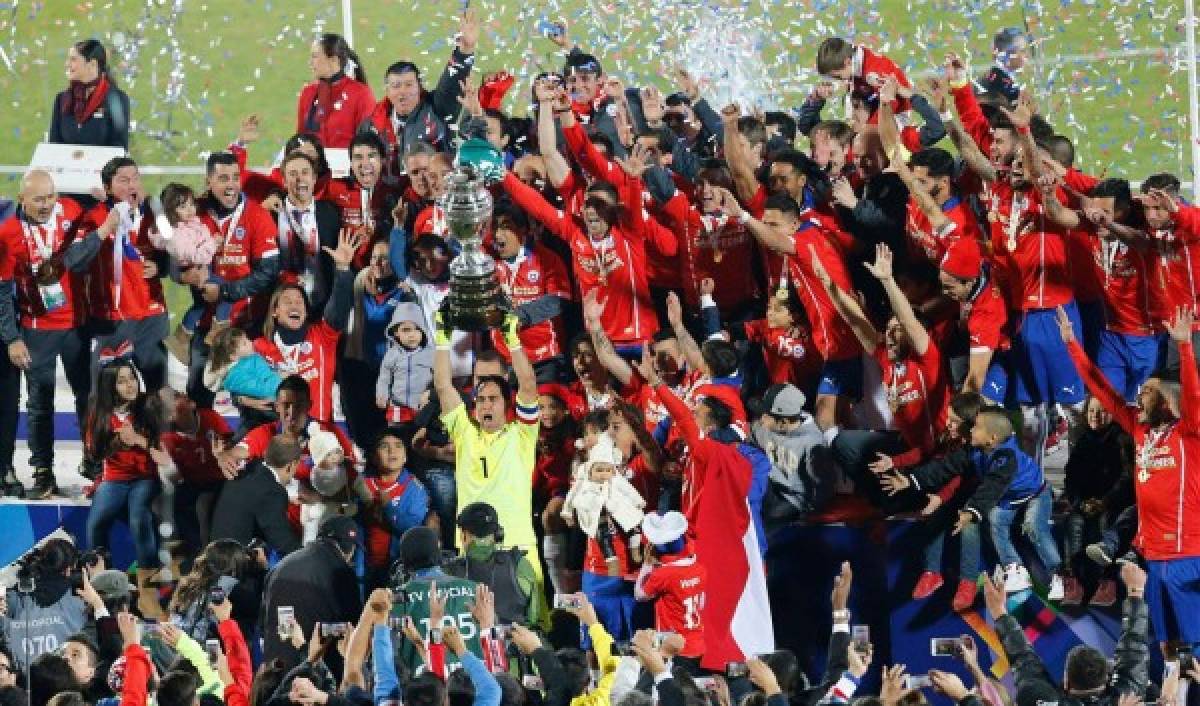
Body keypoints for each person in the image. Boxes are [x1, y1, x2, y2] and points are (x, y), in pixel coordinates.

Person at [1060, 304, 1200, 650]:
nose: (1140, 394)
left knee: (1196, 645)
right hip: (1152, 554)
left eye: (1149, 391)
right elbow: (1103, 390)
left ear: (1169, 401)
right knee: (1166, 644)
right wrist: (1071, 344)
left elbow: (1193, 394)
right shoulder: (1140, 431)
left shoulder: (1190, 433)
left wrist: (1183, 346)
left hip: (1186, 552)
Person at [0, 170, 92, 499]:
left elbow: (96, 217)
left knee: (87, 395)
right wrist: (11, 337)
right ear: (22, 200)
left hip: (76, 326)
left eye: (50, 196)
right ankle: (43, 471)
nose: (46, 205)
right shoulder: (9, 232)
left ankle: (93, 462)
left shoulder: (70, 209)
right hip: (37, 330)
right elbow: (1, 290)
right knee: (40, 405)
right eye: (38, 199)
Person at [433, 312, 542, 576]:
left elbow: (528, 384)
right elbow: (443, 386)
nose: (486, 405)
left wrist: (512, 339)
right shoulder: (465, 433)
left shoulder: (522, 435)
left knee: (530, 618)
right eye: (481, 400)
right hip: (472, 548)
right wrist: (442, 339)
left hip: (517, 545)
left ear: (507, 404)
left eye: (493, 399)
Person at [185, 151, 280, 409]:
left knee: (253, 403)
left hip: (244, 326)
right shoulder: (194, 213)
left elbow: (268, 272)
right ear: (208, 182)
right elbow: (172, 253)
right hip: (207, 324)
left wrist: (225, 292)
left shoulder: (258, 216)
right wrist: (183, 274)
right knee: (197, 397)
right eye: (223, 178)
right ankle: (200, 448)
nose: (231, 185)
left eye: (235, 178)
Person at [981, 563, 1148, 706]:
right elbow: (1134, 650)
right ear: (1107, 679)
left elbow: (1025, 661)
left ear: (1066, 682)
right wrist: (1135, 592)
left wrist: (999, 611)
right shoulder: (1128, 697)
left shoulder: (1040, 698)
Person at [84, 358, 173, 619]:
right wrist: (117, 441)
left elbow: (163, 452)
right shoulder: (99, 412)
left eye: (131, 378)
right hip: (114, 478)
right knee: (95, 523)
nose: (129, 385)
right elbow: (95, 453)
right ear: (110, 386)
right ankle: (104, 584)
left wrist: (137, 440)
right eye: (121, 381)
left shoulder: (149, 406)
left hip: (145, 477)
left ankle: (149, 595)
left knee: (140, 521)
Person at [73, 157, 170, 392]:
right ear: (107, 188)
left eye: (136, 178)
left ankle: (155, 431)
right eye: (124, 180)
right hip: (112, 319)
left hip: (151, 316)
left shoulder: (155, 215)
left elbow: (176, 253)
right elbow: (75, 261)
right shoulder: (94, 218)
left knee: (158, 392)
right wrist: (105, 230)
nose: (132, 185)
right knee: (106, 394)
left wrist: (161, 267)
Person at [251, 228, 361, 423]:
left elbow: (339, 307)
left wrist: (343, 270)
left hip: (319, 440)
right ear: (274, 311)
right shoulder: (259, 348)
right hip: (278, 438)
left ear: (306, 312)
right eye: (287, 301)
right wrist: (243, 399)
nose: (294, 304)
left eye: (299, 301)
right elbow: (237, 382)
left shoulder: (322, 337)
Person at [358, 11, 479, 173]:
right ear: (387, 91)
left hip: (434, 192)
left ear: (419, 86)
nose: (403, 92)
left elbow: (450, 85)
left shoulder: (437, 109)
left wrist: (465, 51)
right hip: (393, 196)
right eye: (396, 86)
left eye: (409, 85)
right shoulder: (371, 125)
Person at [260, 515, 363, 671]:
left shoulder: (280, 566)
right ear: (349, 549)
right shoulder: (342, 573)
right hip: (313, 675)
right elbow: (353, 629)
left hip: (273, 668)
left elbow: (262, 622)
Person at [388, 527, 483, 673]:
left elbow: (389, 655)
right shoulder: (475, 589)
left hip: (425, 691)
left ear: (404, 559)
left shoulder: (396, 598)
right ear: (437, 551)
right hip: (475, 686)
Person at [0, 540, 105, 671]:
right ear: (68, 570)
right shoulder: (82, 598)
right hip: (67, 681)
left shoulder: (11, 599)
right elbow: (103, 631)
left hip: (21, 682)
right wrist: (98, 583)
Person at [352, 428, 433, 589]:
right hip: (365, 568)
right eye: (384, 446)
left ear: (405, 457)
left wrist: (388, 507)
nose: (391, 451)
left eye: (398, 446)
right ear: (374, 457)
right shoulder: (362, 486)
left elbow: (412, 529)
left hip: (398, 569)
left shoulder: (414, 488)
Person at [153, 182, 222, 363]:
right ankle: (217, 330)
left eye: (192, 204)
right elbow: (193, 255)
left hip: (201, 268)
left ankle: (180, 338)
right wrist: (213, 243)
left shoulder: (192, 223)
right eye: (183, 206)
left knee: (200, 305)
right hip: (199, 270)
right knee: (224, 293)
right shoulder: (177, 233)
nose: (191, 209)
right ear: (171, 211)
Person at [443, 502, 541, 627]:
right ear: (498, 535)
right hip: (516, 643)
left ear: (463, 536)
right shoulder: (520, 565)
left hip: (467, 645)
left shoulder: (447, 572)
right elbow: (533, 618)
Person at [634, 511, 706, 671]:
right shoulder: (699, 564)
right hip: (699, 643)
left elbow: (639, 595)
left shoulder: (664, 575)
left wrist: (647, 564)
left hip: (674, 647)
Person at [209, 435, 303, 556]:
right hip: (235, 565)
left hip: (216, 553)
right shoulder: (272, 492)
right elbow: (283, 543)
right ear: (292, 465)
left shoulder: (249, 469)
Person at [296, 34, 374, 149]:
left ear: (333, 60)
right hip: (314, 165)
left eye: (315, 57)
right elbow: (300, 138)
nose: (310, 62)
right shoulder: (308, 93)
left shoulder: (361, 94)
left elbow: (367, 142)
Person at [49, 40, 129, 149]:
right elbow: (53, 147)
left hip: (103, 166)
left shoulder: (117, 100)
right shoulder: (62, 99)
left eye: (73, 59)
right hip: (66, 166)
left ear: (92, 64)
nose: (67, 64)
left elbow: (119, 147)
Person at [376, 302, 434, 427]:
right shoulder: (392, 354)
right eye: (406, 330)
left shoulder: (430, 353)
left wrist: (431, 395)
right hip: (398, 408)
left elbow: (439, 379)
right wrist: (382, 394)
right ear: (396, 332)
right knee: (398, 436)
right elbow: (384, 378)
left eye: (417, 329)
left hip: (422, 407)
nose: (412, 334)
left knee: (421, 439)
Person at [203, 326, 282, 405]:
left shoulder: (250, 357)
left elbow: (265, 372)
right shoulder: (236, 377)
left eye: (247, 339)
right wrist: (281, 377)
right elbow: (267, 391)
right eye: (244, 343)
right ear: (233, 355)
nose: (250, 342)